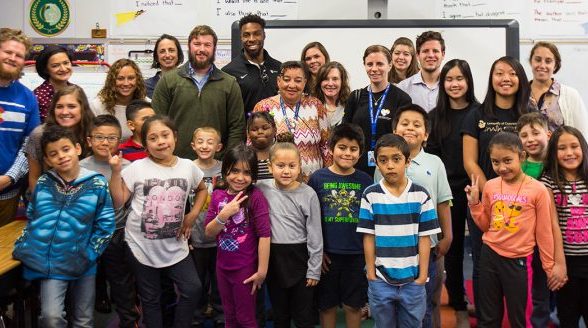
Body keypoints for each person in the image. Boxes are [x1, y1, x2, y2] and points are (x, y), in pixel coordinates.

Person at [109, 115, 208, 328]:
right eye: (153, 138)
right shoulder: (136, 168)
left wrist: (192, 215)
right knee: (150, 299)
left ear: (175, 137)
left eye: (165, 135)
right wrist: (116, 172)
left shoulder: (188, 166)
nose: (161, 141)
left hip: (175, 245)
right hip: (140, 246)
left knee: (192, 288)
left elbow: (202, 189)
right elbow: (119, 201)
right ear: (145, 145)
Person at [13, 124, 115, 327]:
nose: (61, 156)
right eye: (53, 153)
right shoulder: (44, 182)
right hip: (52, 264)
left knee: (83, 319)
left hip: (84, 262)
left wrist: (89, 253)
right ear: (48, 160)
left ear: (77, 149)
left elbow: (106, 223)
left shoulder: (97, 183)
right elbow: (34, 215)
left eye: (65, 149)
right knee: (51, 317)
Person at [465, 131, 561, 327]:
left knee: (519, 318)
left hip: (518, 260)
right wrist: (474, 204)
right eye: (495, 162)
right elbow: (486, 226)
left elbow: (544, 232)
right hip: (489, 256)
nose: (502, 167)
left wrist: (549, 266)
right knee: (489, 316)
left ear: (522, 156)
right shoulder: (491, 186)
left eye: (508, 160)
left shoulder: (538, 190)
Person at [461, 56, 531, 315]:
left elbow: (533, 156)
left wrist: (512, 190)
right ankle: (485, 315)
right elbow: (469, 160)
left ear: (520, 78)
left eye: (512, 73)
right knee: (482, 262)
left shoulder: (528, 113)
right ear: (491, 78)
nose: (505, 78)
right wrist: (491, 191)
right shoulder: (476, 114)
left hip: (521, 202)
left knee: (519, 262)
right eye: (499, 73)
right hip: (485, 200)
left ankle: (520, 315)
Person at [375, 105, 452, 328]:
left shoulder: (435, 163)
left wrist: (447, 235)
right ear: (395, 129)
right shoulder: (382, 164)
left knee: (428, 303)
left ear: (426, 134)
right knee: (394, 306)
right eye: (405, 123)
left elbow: (443, 201)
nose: (410, 128)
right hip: (391, 250)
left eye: (417, 125)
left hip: (429, 248)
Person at [358, 133, 440, 328]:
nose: (390, 165)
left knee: (412, 324)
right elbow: (368, 236)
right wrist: (371, 273)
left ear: (407, 161)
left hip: (413, 280)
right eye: (383, 160)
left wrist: (422, 276)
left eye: (396, 159)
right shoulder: (371, 195)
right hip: (380, 279)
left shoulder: (421, 194)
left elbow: (425, 238)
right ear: (376, 163)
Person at [427, 59, 479, 328]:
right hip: (448, 192)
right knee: (454, 247)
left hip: (479, 190)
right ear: (442, 84)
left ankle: (483, 301)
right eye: (449, 79)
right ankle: (458, 301)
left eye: (460, 79)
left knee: (481, 250)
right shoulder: (435, 117)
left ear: (468, 81)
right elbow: (433, 159)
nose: (454, 84)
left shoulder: (481, 113)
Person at [307, 123, 373, 328]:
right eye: (342, 147)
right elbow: (311, 219)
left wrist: (367, 255)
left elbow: (370, 222)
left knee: (353, 306)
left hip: (355, 255)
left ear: (360, 153)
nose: (347, 153)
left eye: (353, 149)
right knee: (327, 306)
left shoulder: (365, 181)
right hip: (327, 256)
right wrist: (319, 252)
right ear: (331, 149)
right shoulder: (317, 178)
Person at [80, 114, 140, 327]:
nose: (105, 142)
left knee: (121, 281)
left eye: (111, 138)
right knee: (85, 282)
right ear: (89, 141)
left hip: (117, 232)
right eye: (99, 137)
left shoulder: (128, 167)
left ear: (119, 140)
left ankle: (129, 320)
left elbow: (128, 203)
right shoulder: (79, 167)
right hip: (86, 234)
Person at [152, 25, 245, 160]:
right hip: (175, 163)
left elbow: (237, 127)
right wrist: (166, 157)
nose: (202, 49)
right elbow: (156, 122)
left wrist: (226, 160)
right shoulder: (168, 80)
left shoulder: (229, 83)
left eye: (207, 45)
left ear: (214, 48)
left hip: (216, 165)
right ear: (189, 47)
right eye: (197, 44)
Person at [258, 137, 323, 328]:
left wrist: (314, 269)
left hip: (300, 259)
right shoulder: (261, 189)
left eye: (292, 166)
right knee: (280, 314)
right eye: (280, 165)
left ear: (300, 166)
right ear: (270, 167)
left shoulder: (308, 193)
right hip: (273, 257)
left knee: (303, 315)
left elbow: (315, 234)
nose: (286, 171)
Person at [204, 144, 271, 328]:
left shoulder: (255, 197)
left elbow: (265, 236)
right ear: (225, 170)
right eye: (234, 171)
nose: (240, 178)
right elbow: (209, 232)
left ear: (253, 176)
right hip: (222, 267)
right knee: (230, 317)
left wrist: (262, 272)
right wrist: (224, 214)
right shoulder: (217, 195)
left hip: (245, 269)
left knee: (246, 318)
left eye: (247, 172)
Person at [516, 112, 566, 328]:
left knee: (558, 276)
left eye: (535, 133)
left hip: (559, 230)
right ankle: (539, 319)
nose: (530, 139)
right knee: (538, 280)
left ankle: (557, 311)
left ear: (548, 133)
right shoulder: (520, 168)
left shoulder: (557, 164)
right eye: (524, 135)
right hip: (530, 235)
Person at [541, 126, 588, 327]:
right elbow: (552, 226)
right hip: (566, 261)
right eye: (562, 148)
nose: (569, 153)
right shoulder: (548, 182)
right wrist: (558, 264)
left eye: (574, 146)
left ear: (583, 149)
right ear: (553, 152)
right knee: (568, 315)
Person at [253, 60, 331, 182]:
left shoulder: (316, 105)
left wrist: (327, 178)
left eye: (298, 81)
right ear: (279, 81)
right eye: (287, 79)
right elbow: (252, 145)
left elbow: (326, 146)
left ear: (305, 82)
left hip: (312, 181)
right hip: (274, 183)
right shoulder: (264, 107)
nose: (292, 85)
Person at [342, 44, 412, 177]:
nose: (374, 69)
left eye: (380, 64)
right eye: (369, 64)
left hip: (389, 168)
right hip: (357, 168)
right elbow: (346, 134)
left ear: (390, 65)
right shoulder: (355, 97)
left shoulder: (402, 98)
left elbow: (404, 138)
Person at [0, 28, 40, 227]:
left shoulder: (27, 98)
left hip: (6, 194)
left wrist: (9, 178)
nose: (13, 58)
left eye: (19, 55)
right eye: (7, 52)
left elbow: (29, 146)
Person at [26, 85, 95, 192]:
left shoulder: (93, 133)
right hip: (48, 196)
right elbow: (34, 178)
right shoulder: (39, 135)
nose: (64, 112)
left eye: (71, 106)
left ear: (83, 108)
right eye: (59, 107)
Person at [189, 127, 224, 327]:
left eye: (210, 142)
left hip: (219, 239)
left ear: (218, 146)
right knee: (197, 281)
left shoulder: (223, 168)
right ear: (193, 145)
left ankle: (220, 312)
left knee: (219, 280)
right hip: (196, 236)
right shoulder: (187, 168)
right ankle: (197, 313)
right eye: (200, 141)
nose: (205, 146)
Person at [222, 14, 281, 115]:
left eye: (256, 34)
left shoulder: (279, 67)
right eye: (246, 35)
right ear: (241, 37)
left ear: (264, 35)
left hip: (278, 129)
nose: (251, 39)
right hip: (247, 130)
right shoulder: (229, 71)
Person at [528, 41, 588, 136]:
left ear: (555, 65)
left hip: (559, 151)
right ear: (531, 62)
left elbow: (582, 135)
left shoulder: (571, 95)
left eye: (548, 61)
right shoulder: (520, 93)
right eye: (538, 60)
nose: (542, 65)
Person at [91, 58, 147, 140]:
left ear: (138, 80)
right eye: (120, 78)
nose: (126, 83)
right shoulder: (97, 106)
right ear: (112, 81)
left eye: (131, 78)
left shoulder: (147, 105)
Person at [398, 31, 446, 112]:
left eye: (435, 51)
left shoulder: (451, 87)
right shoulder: (403, 88)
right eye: (425, 51)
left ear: (443, 54)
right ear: (417, 55)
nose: (430, 55)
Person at [33, 45, 74, 121]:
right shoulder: (38, 96)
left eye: (66, 63)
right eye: (55, 66)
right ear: (45, 69)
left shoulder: (76, 90)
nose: (63, 69)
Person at [313, 61, 351, 127]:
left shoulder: (351, 106)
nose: (330, 83)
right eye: (325, 79)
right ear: (320, 82)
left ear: (342, 82)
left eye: (335, 79)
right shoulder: (312, 107)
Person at [145, 34, 184, 98]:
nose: (167, 55)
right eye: (162, 51)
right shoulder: (147, 86)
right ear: (157, 56)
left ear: (178, 54)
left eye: (171, 50)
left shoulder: (189, 82)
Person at [247, 111, 277, 184]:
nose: (260, 131)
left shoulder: (283, 152)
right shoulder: (244, 154)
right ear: (248, 133)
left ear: (275, 130)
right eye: (254, 129)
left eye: (265, 128)